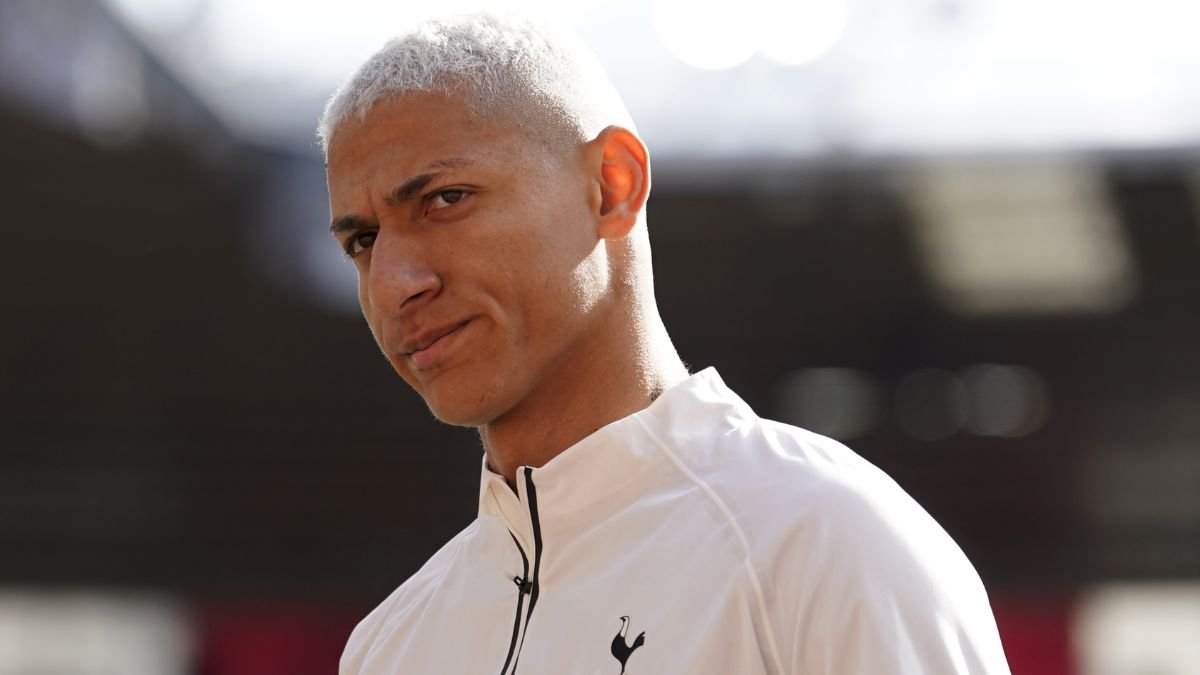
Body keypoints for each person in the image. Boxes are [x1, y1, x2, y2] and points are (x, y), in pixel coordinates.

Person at [318, 13, 1011, 675]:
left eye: (444, 199)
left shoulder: (820, 542)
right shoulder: (389, 648)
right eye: (363, 241)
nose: (393, 285)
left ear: (612, 185)